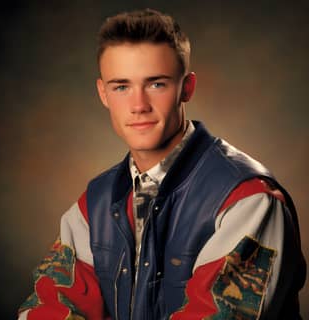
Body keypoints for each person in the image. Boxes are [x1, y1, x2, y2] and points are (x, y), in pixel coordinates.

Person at [18, 8, 306, 320]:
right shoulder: (93, 206)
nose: (138, 105)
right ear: (103, 94)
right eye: (121, 86)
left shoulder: (248, 201)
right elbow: (48, 309)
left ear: (187, 87)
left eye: (156, 84)